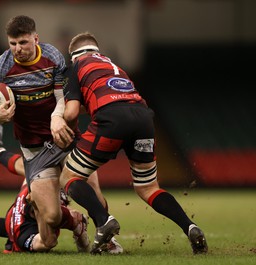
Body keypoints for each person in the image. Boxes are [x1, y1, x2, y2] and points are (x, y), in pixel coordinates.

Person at [54, 32, 208, 255]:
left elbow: (72, 112)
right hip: (143, 118)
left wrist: (58, 120)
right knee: (148, 187)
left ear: (74, 55)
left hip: (112, 119)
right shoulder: (115, 67)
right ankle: (190, 227)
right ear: (97, 51)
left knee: (69, 177)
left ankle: (103, 219)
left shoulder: (76, 67)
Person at [0, 15, 78, 251]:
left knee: (88, 185)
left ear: (36, 38)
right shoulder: (0, 66)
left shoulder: (52, 56)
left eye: (23, 42)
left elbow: (61, 97)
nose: (17, 49)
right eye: (12, 43)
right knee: (52, 217)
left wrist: (57, 118)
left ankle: (106, 236)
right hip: (32, 145)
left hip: (62, 136)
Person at [0, 123, 123, 253]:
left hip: (65, 135)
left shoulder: (22, 220)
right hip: (43, 141)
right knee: (53, 216)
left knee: (91, 190)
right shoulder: (25, 222)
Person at [0, 180, 90, 253]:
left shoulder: (32, 187)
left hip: (15, 215)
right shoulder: (24, 234)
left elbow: (28, 170)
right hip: (20, 229)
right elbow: (47, 243)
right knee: (70, 221)